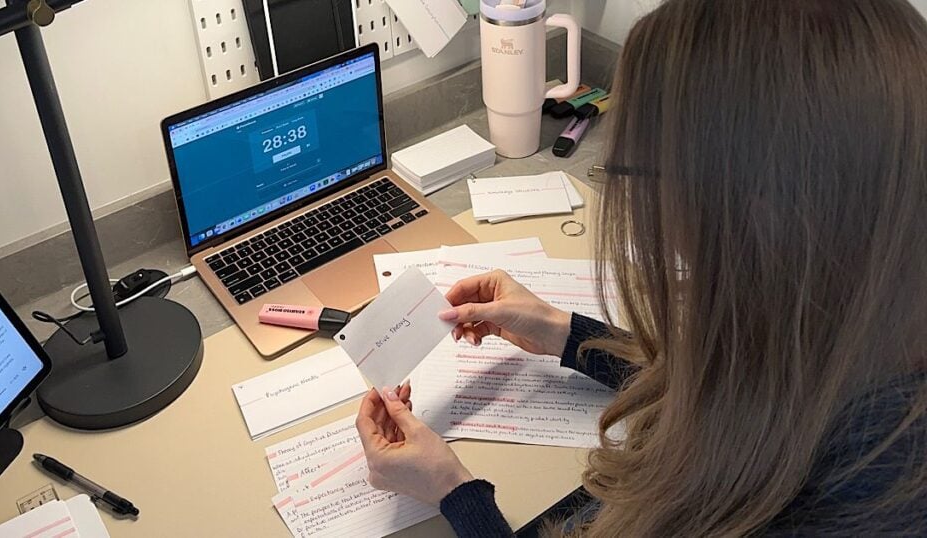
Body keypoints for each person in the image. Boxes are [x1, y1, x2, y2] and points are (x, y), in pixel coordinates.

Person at [355, 0, 927, 535]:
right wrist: (562, 331)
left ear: (753, 216)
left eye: (637, 171)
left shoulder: (838, 504)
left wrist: (454, 491)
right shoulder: (855, 337)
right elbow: (729, 388)